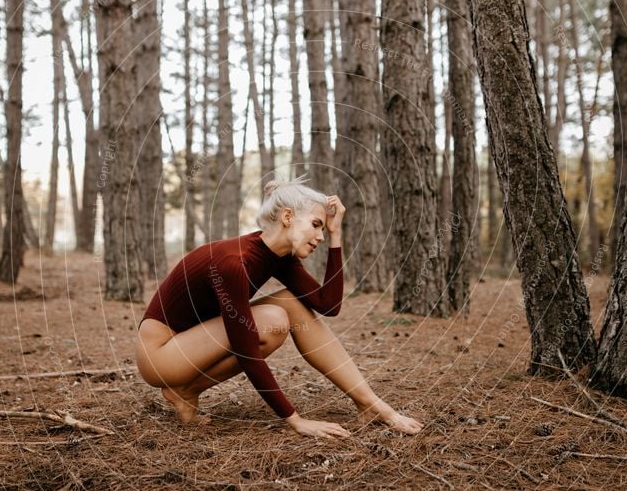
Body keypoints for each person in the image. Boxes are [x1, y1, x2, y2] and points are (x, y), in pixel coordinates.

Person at [136, 175, 423, 437]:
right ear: (287, 217)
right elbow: (246, 347)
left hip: (192, 342)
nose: (320, 237)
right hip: (161, 354)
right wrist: (295, 420)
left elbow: (329, 304)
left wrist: (337, 236)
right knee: (273, 319)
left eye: (324, 229)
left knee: (290, 304)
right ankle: (183, 387)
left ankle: (369, 403)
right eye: (316, 225)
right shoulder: (233, 262)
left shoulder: (279, 257)